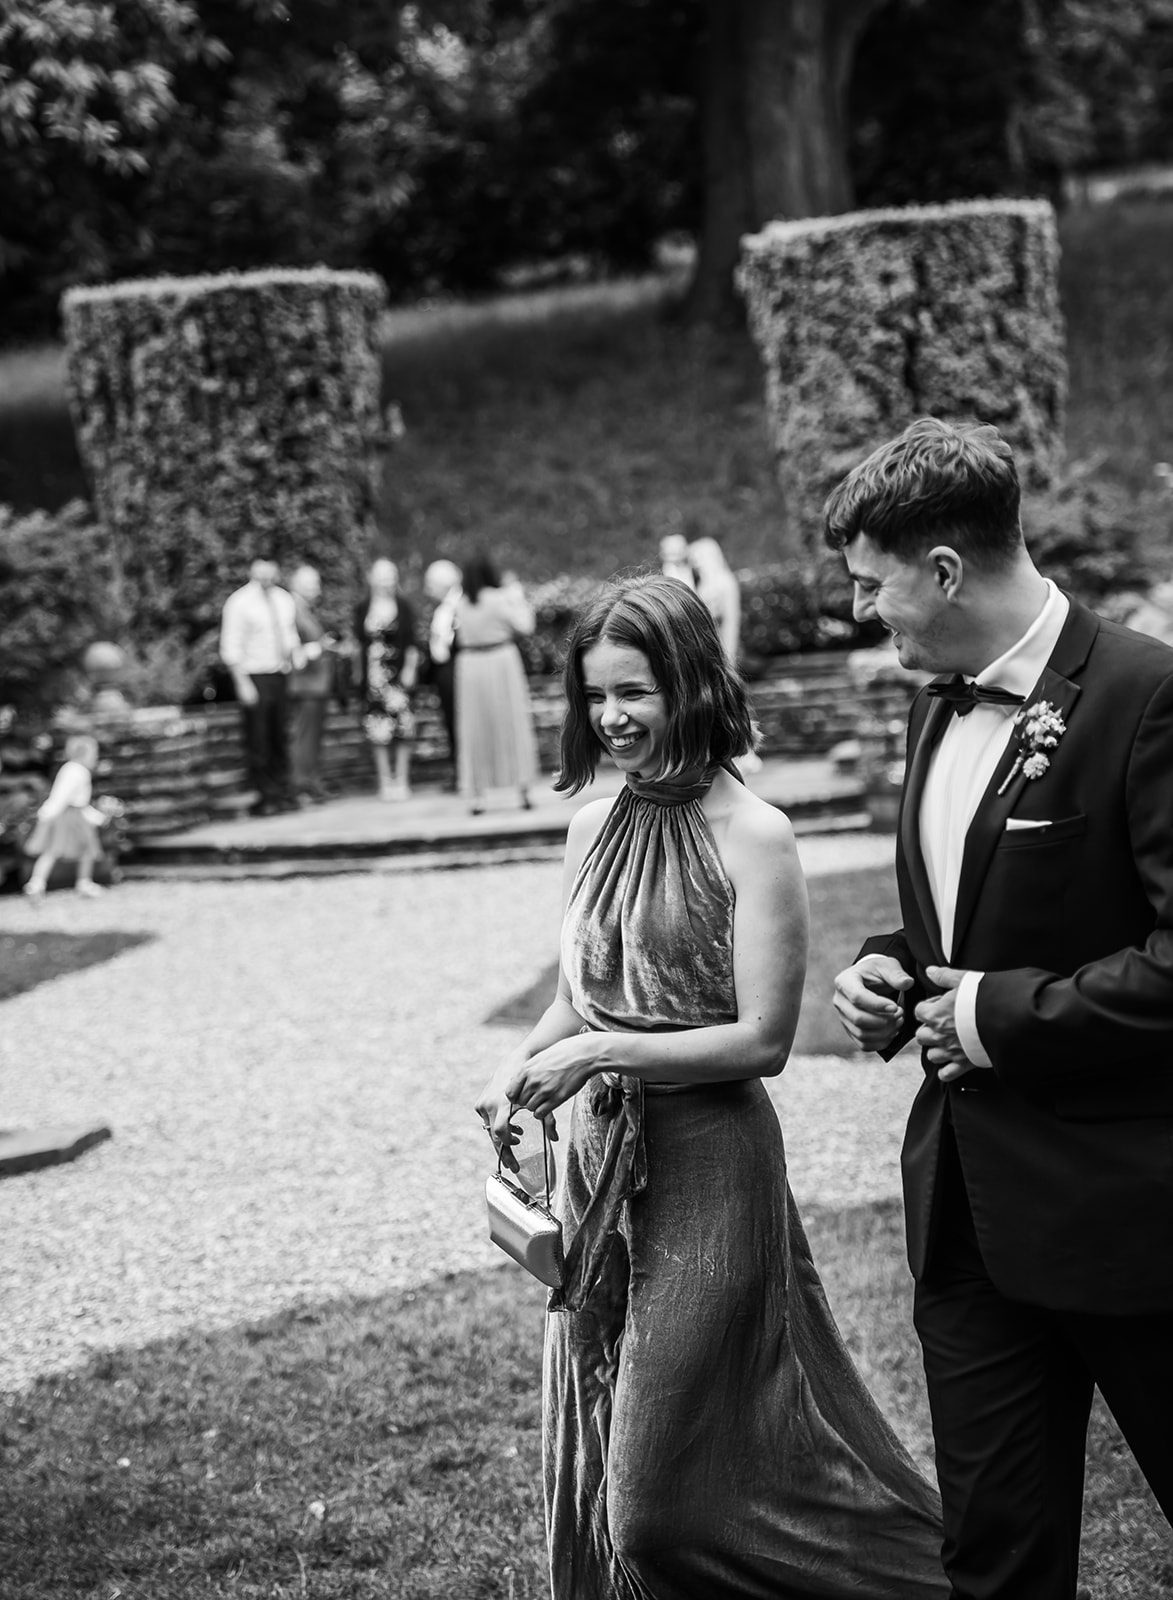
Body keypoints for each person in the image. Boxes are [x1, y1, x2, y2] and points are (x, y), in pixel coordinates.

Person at [475, 574, 945, 1599]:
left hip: (710, 1168)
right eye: (595, 695)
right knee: (615, 1426)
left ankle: (921, 1580)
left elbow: (763, 1040)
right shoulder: (590, 827)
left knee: (652, 1504)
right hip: (599, 1170)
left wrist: (599, 1056)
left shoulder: (756, 834)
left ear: (688, 684)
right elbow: (578, 996)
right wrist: (516, 1070)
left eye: (633, 692)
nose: (611, 717)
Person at [828, 418, 1173, 1600]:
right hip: (971, 1219)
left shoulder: (1147, 694)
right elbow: (964, 923)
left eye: (871, 584)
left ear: (943, 571)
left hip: (1131, 1212)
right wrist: (889, 972)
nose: (861, 611)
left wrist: (991, 1018)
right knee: (994, 1560)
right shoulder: (936, 705)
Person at [454, 553, 538, 815]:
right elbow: (526, 626)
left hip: (470, 666)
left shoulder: (461, 604)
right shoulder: (500, 598)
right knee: (512, 723)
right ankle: (523, 790)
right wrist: (518, 597)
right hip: (501, 661)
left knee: (474, 728)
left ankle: (476, 796)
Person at [219, 558, 299, 816]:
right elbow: (231, 644)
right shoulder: (239, 602)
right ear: (252, 569)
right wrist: (241, 682)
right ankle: (265, 796)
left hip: (280, 674)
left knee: (280, 735)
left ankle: (283, 791)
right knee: (258, 738)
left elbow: (289, 635)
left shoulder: (284, 599)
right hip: (254, 675)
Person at [354, 558, 420, 802]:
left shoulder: (404, 607)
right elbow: (357, 644)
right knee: (377, 728)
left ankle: (402, 779)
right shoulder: (362, 607)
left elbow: (413, 642)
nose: (385, 581)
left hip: (398, 675)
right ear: (371, 578)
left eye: (390, 575)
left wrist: (410, 669)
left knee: (403, 727)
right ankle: (385, 781)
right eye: (381, 576)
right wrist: (357, 674)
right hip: (374, 678)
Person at [23, 733, 108, 899]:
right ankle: (78, 883)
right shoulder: (77, 771)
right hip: (71, 816)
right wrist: (49, 811)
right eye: (94, 753)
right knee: (79, 848)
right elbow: (64, 796)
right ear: (83, 753)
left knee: (59, 850)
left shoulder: (70, 768)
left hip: (71, 813)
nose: (96, 757)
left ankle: (38, 883)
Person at [287, 564, 334, 805]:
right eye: (311, 584)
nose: (317, 589)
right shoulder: (292, 610)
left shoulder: (305, 609)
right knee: (304, 737)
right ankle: (301, 786)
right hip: (305, 685)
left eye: (317, 583)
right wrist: (321, 647)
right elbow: (294, 652)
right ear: (296, 585)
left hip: (315, 685)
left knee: (312, 737)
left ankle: (311, 783)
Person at [423, 557, 462, 781]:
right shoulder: (444, 606)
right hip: (444, 670)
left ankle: (463, 772)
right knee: (451, 721)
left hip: (456, 669)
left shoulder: (459, 603)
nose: (428, 591)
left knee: (459, 721)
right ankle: (458, 770)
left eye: (431, 585)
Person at [688, 534, 742, 665]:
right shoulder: (700, 584)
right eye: (693, 559)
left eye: (699, 557)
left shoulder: (726, 582)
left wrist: (729, 657)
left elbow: (731, 621)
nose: (695, 563)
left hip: (723, 648)